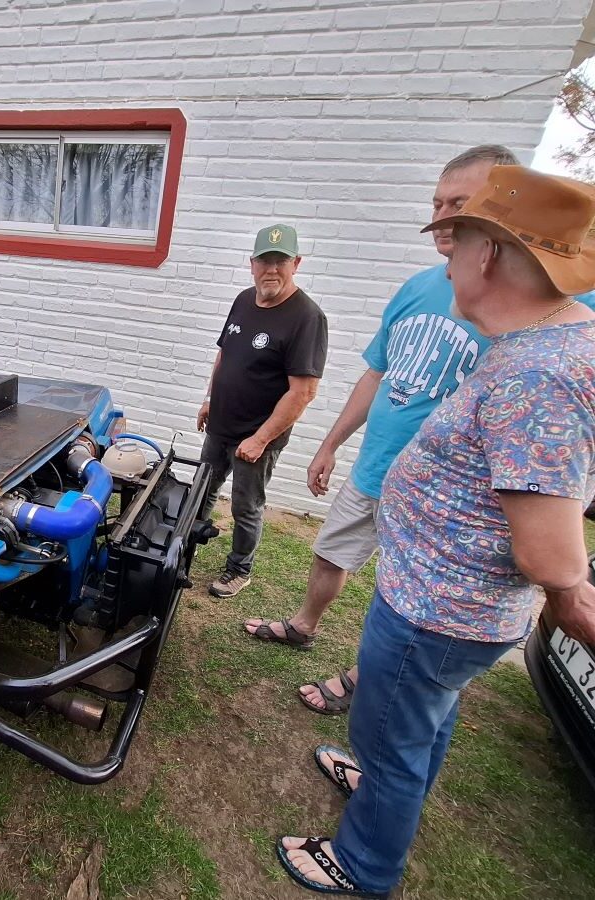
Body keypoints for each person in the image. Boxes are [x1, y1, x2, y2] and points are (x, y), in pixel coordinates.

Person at [276, 165, 595, 897]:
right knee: (421, 720)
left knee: (389, 733)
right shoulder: (540, 344)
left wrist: (573, 601)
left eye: (459, 241)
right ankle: (387, 782)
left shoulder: (540, 375)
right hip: (441, 604)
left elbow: (551, 555)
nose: (447, 257)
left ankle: (364, 863)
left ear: (490, 255)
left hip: (440, 612)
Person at [243, 145, 595, 714]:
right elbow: (377, 373)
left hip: (457, 507)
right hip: (379, 464)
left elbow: (557, 440)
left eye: (462, 206)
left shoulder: (552, 309)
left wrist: (568, 587)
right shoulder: (417, 287)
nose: (445, 219)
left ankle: (369, 680)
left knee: (411, 607)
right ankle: (306, 626)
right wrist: (331, 444)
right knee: (334, 555)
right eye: (438, 204)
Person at [197, 224, 328, 598]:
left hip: (257, 435)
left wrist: (260, 439)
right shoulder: (243, 300)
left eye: (280, 262)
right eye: (264, 261)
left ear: (296, 263)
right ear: (252, 264)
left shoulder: (307, 317)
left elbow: (303, 392)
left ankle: (239, 569)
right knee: (203, 489)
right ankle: (188, 542)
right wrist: (210, 399)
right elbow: (225, 354)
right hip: (221, 423)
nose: (271, 270)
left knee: (246, 505)